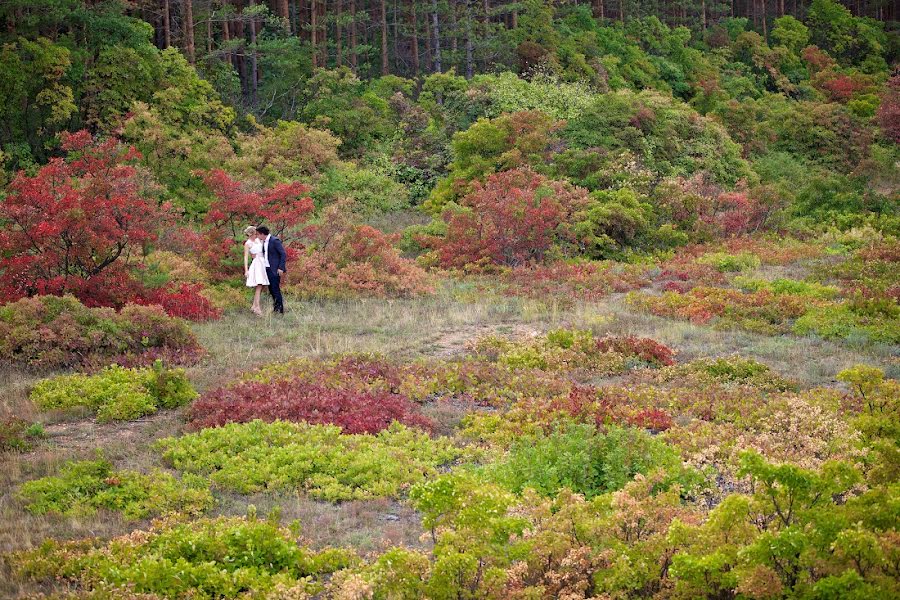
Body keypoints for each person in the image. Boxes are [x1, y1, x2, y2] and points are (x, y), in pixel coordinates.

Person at [256, 225, 286, 314]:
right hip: (267, 269)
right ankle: (276, 308)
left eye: (258, 234)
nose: (258, 236)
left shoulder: (274, 241)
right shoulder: (264, 242)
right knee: (271, 289)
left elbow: (283, 254)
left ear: (262, 234)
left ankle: (280, 310)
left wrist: (281, 267)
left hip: (275, 269)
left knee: (275, 289)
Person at [243, 225, 269, 315]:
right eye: (255, 234)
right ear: (251, 234)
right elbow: (246, 257)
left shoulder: (259, 240)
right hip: (256, 264)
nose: (256, 235)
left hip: (263, 262)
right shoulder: (247, 243)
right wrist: (246, 270)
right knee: (259, 284)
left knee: (262, 285)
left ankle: (254, 306)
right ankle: (257, 307)